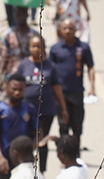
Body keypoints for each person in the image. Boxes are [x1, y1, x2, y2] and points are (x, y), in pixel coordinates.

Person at [16, 34, 68, 172]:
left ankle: (42, 171)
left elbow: (56, 88)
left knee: (42, 141)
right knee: (26, 140)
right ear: (28, 48)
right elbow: (15, 85)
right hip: (26, 111)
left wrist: (63, 108)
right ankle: (26, 170)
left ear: (44, 48)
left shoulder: (50, 66)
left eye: (39, 46)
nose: (36, 49)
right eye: (33, 46)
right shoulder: (23, 65)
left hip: (46, 111)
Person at [49, 18, 95, 139]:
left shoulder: (83, 48)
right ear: (60, 30)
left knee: (77, 126)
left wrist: (92, 87)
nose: (68, 31)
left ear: (75, 30)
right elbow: (50, 71)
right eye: (65, 28)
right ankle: (65, 152)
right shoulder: (55, 49)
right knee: (63, 125)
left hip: (77, 92)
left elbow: (90, 67)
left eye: (70, 28)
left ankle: (76, 153)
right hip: (60, 93)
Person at [0, 74, 40, 178]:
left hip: (24, 163)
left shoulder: (29, 109)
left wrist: (30, 151)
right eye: (14, 89)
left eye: (20, 89)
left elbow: (38, 133)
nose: (17, 92)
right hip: (5, 161)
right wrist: (0, 157)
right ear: (6, 87)